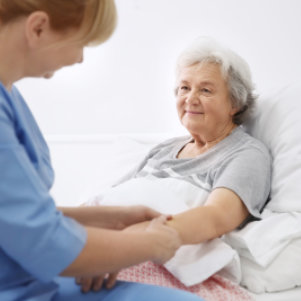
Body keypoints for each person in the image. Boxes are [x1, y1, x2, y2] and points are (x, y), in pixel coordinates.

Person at [0, 1, 205, 300]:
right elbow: (40, 237)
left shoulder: (9, 96)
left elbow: (16, 214)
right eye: (82, 42)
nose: (80, 58)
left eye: (207, 90)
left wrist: (109, 219)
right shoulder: (161, 151)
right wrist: (152, 244)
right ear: (38, 28)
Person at [84, 37, 271, 296]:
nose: (190, 98)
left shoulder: (246, 154)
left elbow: (216, 217)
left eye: (205, 90)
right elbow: (113, 203)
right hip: (102, 244)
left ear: (235, 103)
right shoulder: (164, 150)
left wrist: (124, 245)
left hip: (152, 258)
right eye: (184, 88)